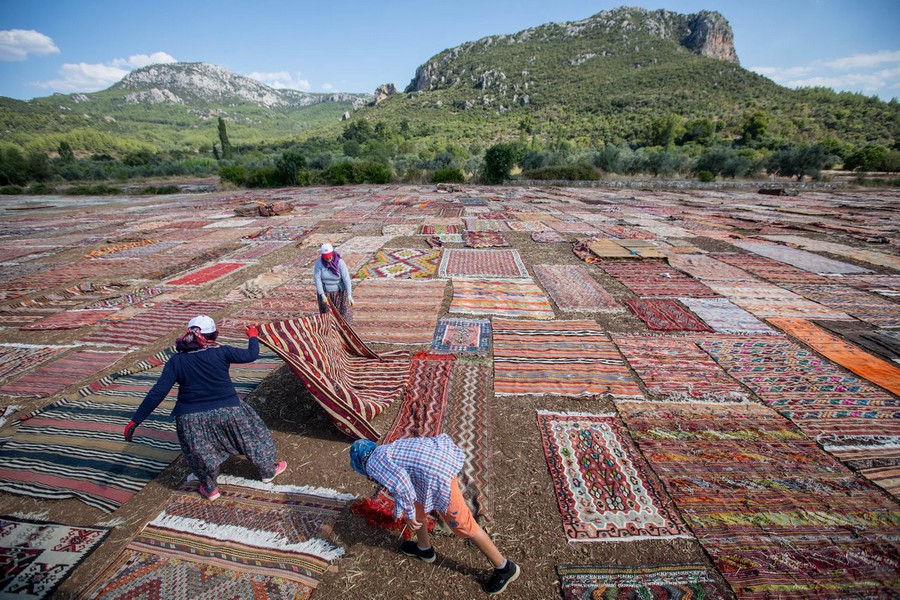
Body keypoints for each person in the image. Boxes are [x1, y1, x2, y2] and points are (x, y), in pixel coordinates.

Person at [124, 315, 286, 500]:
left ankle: (210, 488)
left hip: (191, 418)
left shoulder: (176, 361)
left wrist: (135, 420)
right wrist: (252, 336)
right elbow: (251, 355)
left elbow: (158, 392)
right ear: (214, 335)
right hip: (228, 409)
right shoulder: (221, 352)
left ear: (189, 335)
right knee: (253, 436)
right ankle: (267, 470)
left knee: (200, 453)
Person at [349, 434, 520, 595]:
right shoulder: (382, 451)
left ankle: (505, 568)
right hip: (434, 464)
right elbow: (403, 481)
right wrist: (402, 510)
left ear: (360, 465)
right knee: (418, 509)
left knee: (464, 525)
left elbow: (401, 484)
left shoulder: (372, 465)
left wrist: (407, 514)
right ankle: (424, 549)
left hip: (439, 477)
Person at [313, 242, 354, 322]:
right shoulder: (319, 263)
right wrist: (322, 294)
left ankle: (344, 332)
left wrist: (349, 295)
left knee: (344, 315)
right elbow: (317, 279)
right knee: (328, 316)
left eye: (329, 257)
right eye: (326, 258)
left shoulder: (340, 263)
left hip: (340, 292)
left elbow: (346, 279)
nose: (328, 259)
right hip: (326, 293)